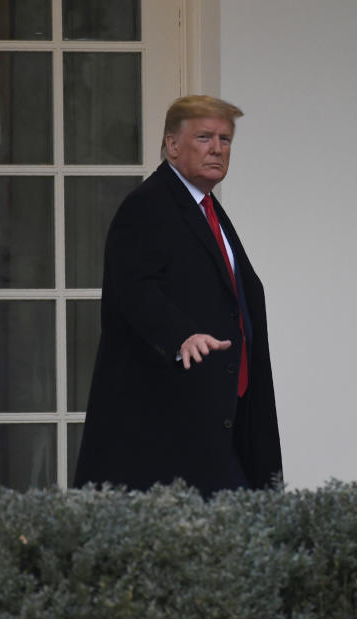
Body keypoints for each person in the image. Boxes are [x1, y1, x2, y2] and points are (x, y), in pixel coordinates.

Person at [72, 95, 282, 496]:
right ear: (171, 145)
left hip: (222, 423)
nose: (217, 148)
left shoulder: (209, 210)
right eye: (204, 137)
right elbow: (134, 288)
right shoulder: (147, 207)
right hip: (167, 432)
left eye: (225, 139)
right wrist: (180, 335)